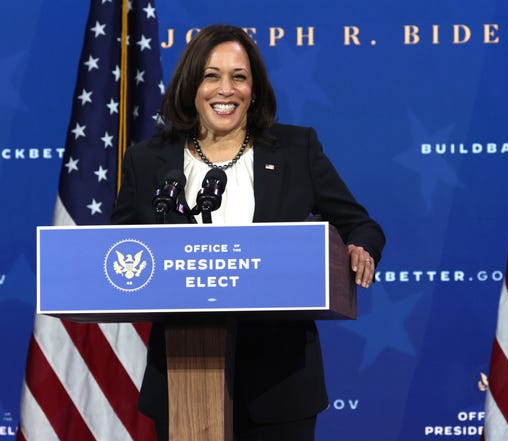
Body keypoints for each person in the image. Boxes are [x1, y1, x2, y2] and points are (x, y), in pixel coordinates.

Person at [111, 24, 385, 441]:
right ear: (191, 86)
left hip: (281, 382)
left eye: (239, 76)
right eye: (211, 75)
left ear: (254, 89)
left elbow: (359, 223)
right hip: (183, 377)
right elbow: (115, 247)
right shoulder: (148, 160)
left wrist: (360, 246)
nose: (226, 89)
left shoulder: (295, 150)